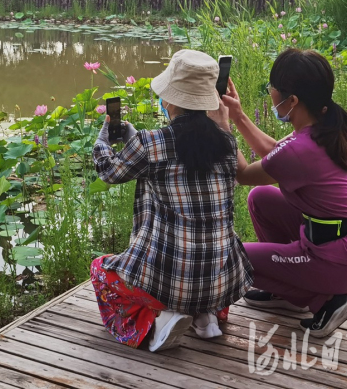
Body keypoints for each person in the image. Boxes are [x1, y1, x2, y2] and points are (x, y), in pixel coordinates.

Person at [92, 49, 253, 352]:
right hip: (223, 281)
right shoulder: (227, 143)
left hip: (170, 283)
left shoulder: (150, 143)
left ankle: (156, 325)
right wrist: (135, 138)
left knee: (100, 270)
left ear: (171, 100)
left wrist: (103, 141)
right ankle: (206, 318)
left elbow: (110, 173)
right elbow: (182, 159)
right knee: (202, 242)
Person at [222, 48, 347, 338]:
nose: (269, 93)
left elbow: (244, 174)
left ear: (292, 100)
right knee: (261, 198)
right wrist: (238, 115)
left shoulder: (300, 150)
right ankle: (287, 290)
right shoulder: (331, 121)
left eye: (272, 89)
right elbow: (275, 154)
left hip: (340, 258)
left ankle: (326, 300)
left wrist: (220, 125)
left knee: (232, 258)